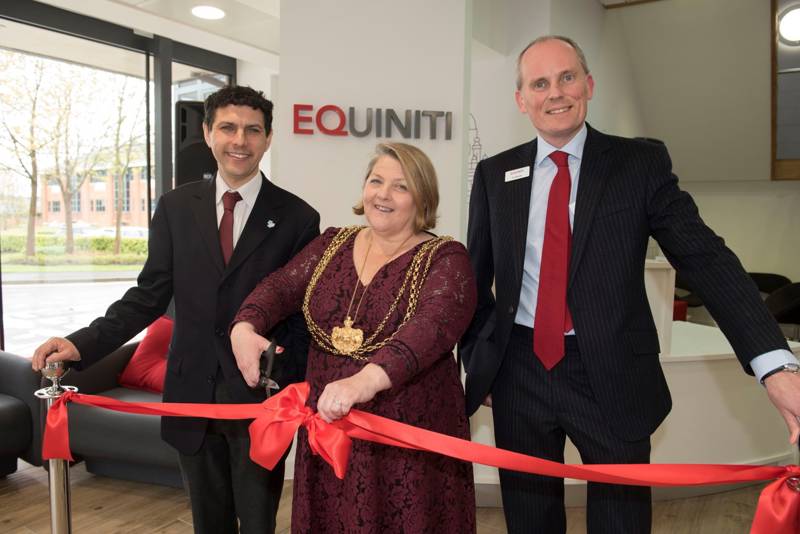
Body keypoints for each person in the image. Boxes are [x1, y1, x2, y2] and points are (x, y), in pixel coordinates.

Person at [459, 35, 800, 534]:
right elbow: (473, 281)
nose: (555, 93)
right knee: (530, 519)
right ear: (522, 100)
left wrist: (774, 364)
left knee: (621, 522)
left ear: (589, 84)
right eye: (540, 83)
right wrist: (481, 361)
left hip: (612, 372)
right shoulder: (495, 174)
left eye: (567, 77)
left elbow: (706, 259)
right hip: (520, 372)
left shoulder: (637, 165)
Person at [31, 85, 320, 534]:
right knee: (208, 524)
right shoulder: (174, 208)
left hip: (258, 400)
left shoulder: (299, 218)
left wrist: (286, 380)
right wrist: (79, 343)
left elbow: (303, 317)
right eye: (227, 127)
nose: (239, 140)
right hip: (190, 396)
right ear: (207, 134)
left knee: (259, 523)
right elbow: (148, 297)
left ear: (267, 138)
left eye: (252, 130)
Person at [230, 142, 477, 533]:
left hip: (406, 438)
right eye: (376, 180)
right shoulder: (331, 243)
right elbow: (280, 287)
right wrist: (245, 325)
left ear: (422, 197)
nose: (383, 193)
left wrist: (365, 381)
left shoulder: (447, 258)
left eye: (401, 186)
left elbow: (432, 328)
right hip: (330, 429)